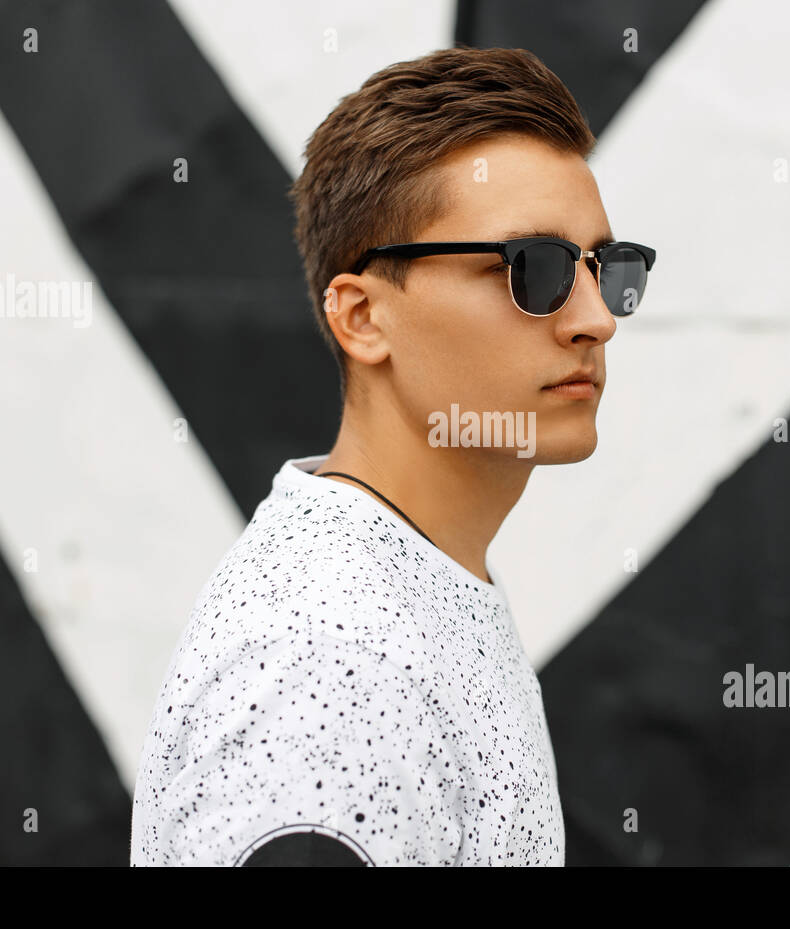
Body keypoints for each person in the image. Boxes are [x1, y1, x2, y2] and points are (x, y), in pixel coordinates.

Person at [130, 45, 655, 866]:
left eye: (606, 268)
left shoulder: (408, 581)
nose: (597, 318)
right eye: (534, 268)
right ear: (363, 317)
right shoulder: (327, 660)